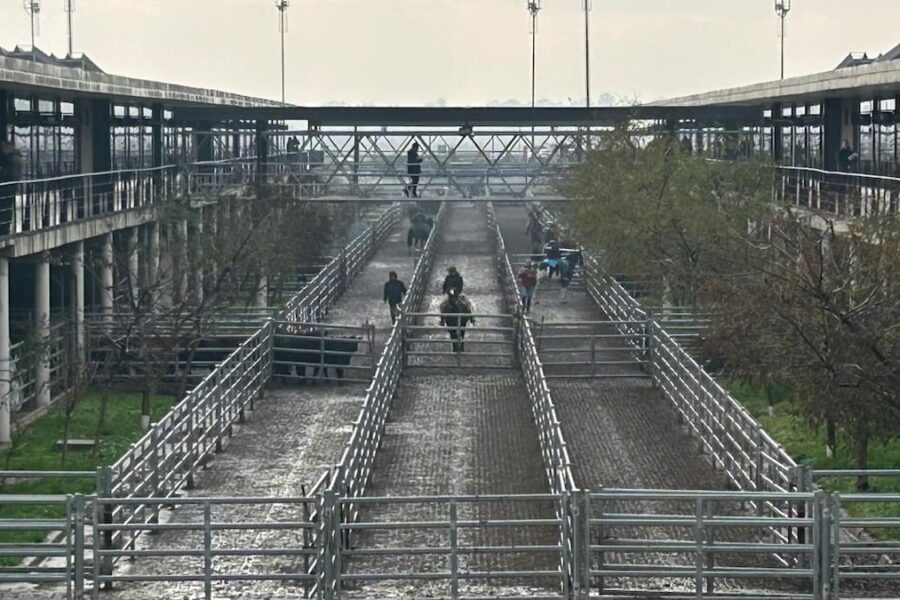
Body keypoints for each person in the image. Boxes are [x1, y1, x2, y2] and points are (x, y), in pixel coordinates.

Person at [0, 141, 24, 236]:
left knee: (6, 209)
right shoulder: (16, 158)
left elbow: (12, 174)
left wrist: (2, 171)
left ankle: (4, 229)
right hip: (11, 187)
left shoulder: (13, 159)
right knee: (7, 209)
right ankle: (5, 229)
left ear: (8, 148)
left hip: (8, 188)